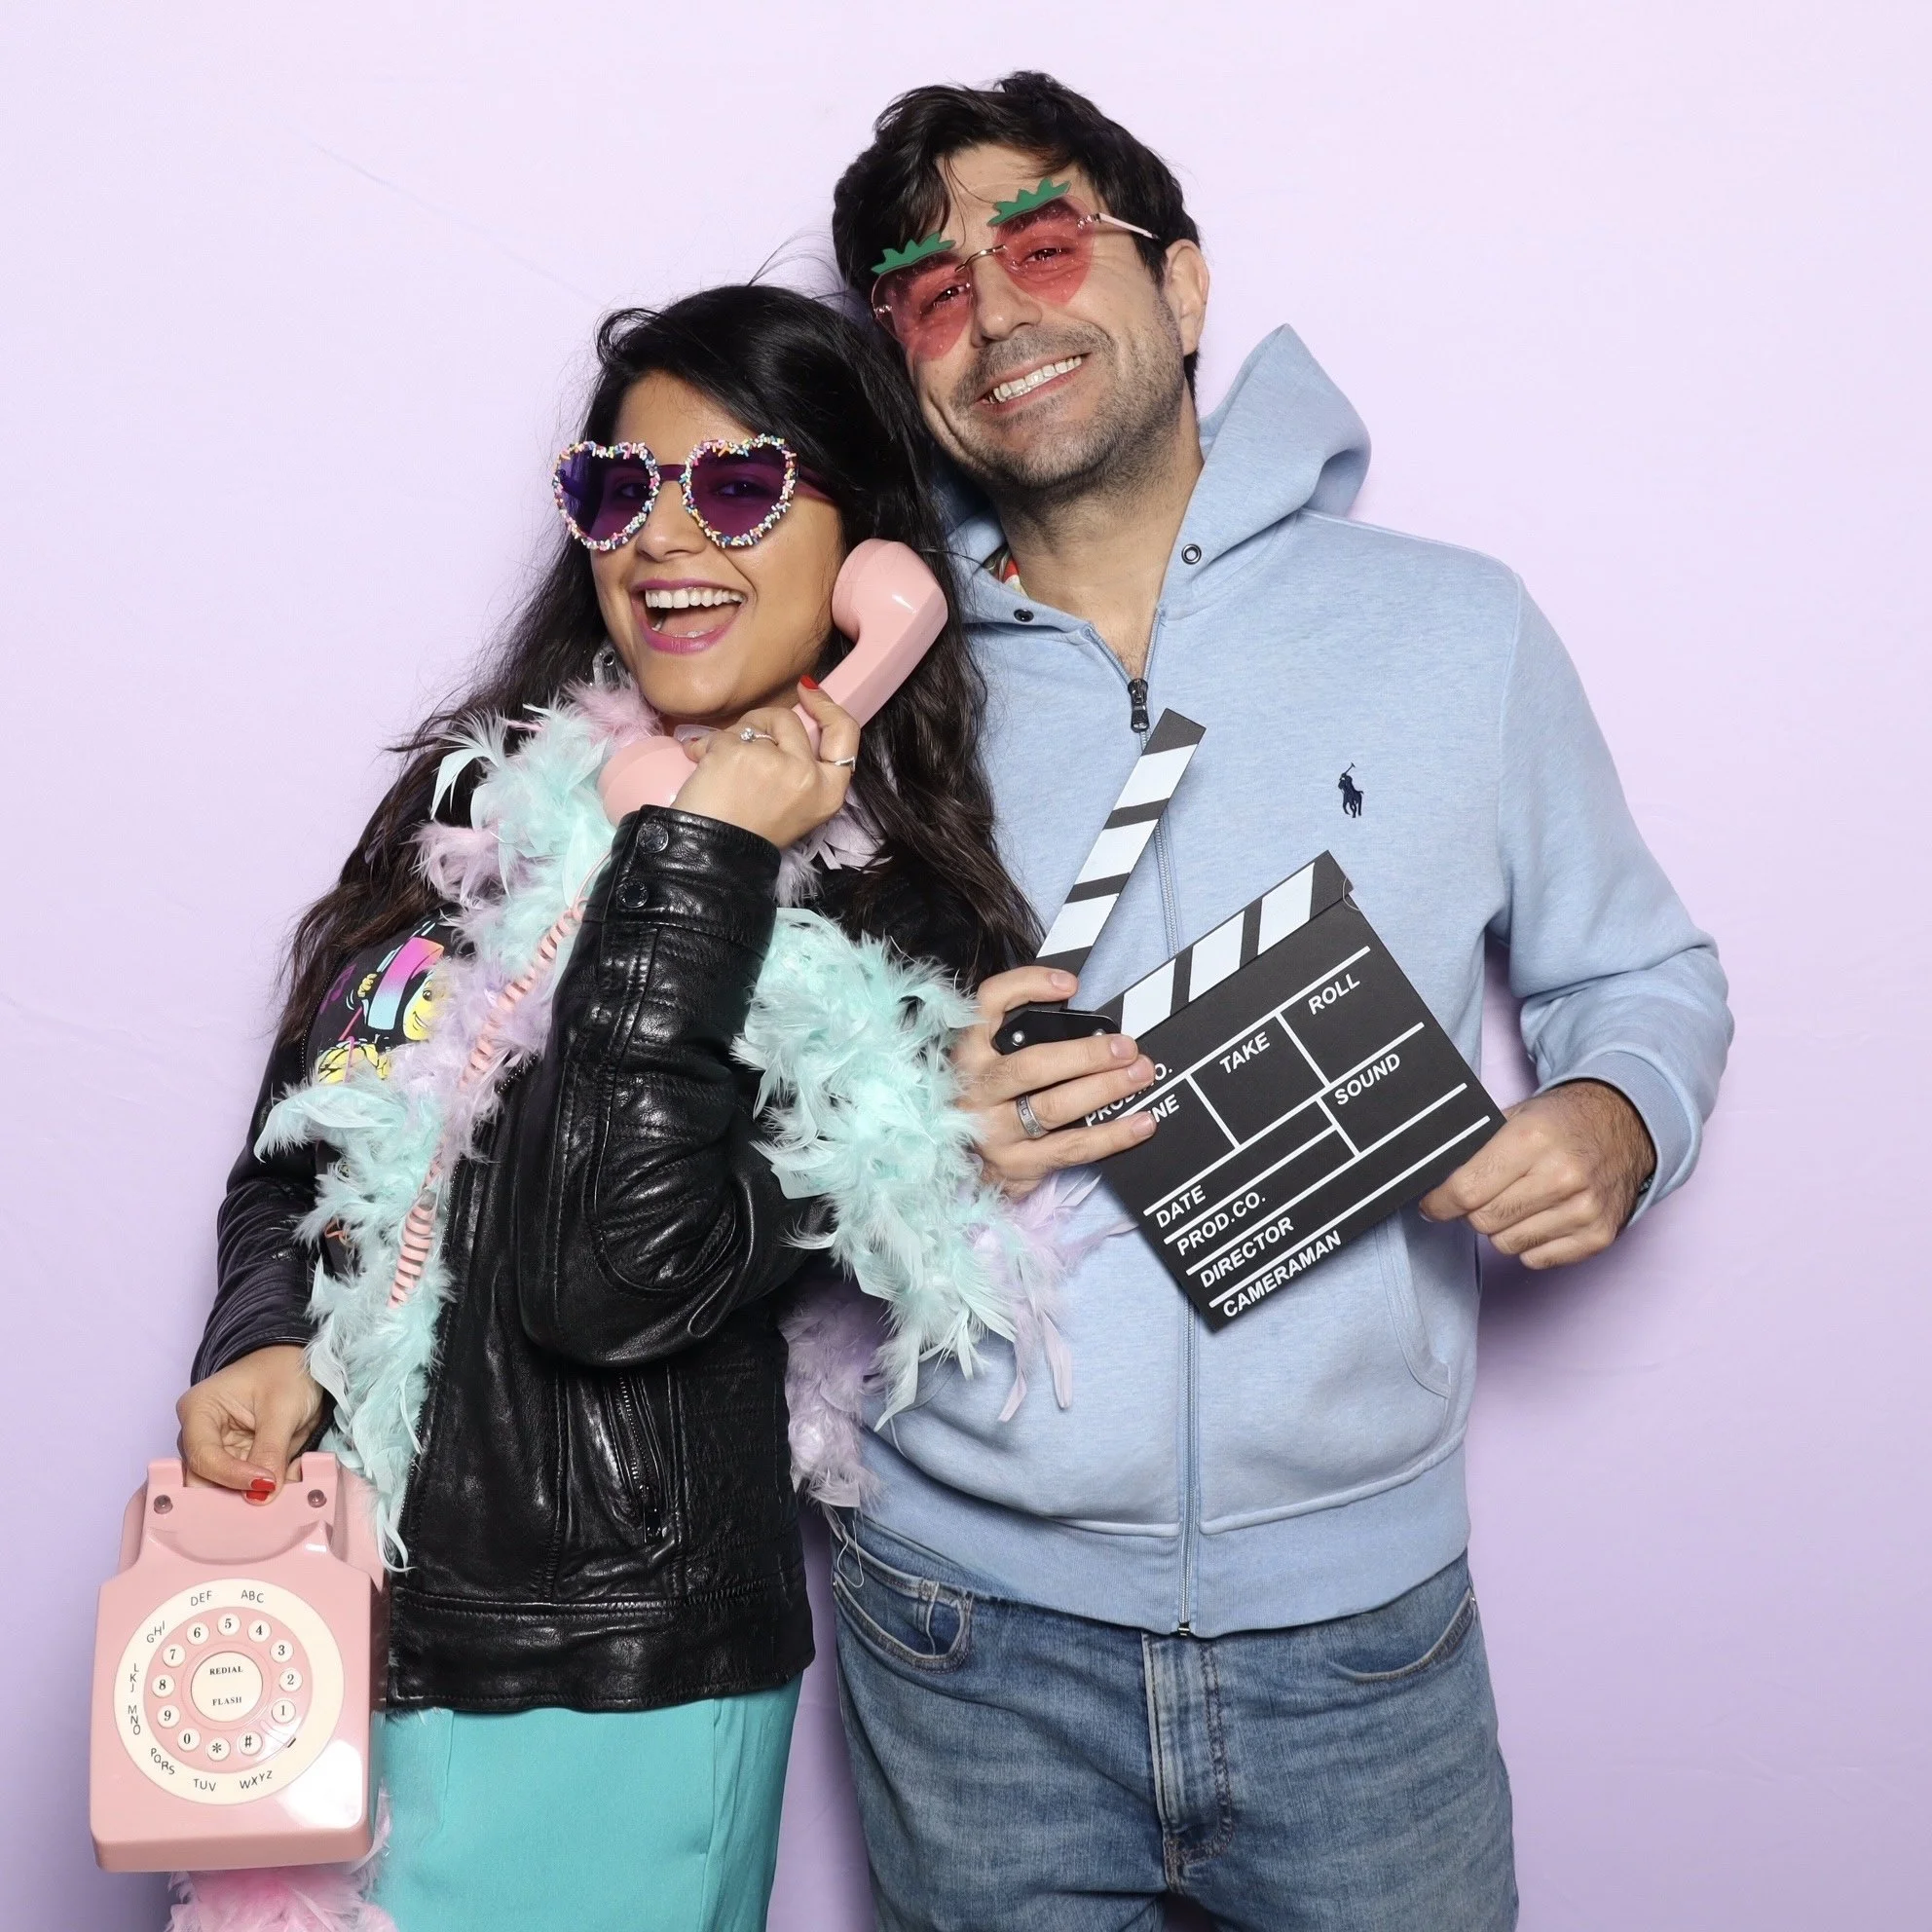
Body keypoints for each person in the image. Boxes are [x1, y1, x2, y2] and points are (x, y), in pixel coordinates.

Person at [826, 72, 1733, 1930]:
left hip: (1361, 1638)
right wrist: (922, 1131)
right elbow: (746, 1086)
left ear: (1182, 283)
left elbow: (1642, 970)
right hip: (961, 1629)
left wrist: (1619, 1114)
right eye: (930, 291)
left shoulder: (1456, 628)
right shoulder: (861, 699)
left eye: (1046, 241)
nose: (995, 310)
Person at [171, 284, 1039, 1932]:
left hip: (608, 1679)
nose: (661, 539)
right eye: (615, 491)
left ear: (874, 562)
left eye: (735, 487)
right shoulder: (467, 804)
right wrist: (258, 1337)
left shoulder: (898, 934)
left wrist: (702, 853)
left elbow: (614, 1279)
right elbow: (300, 1149)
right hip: (327, 1617)